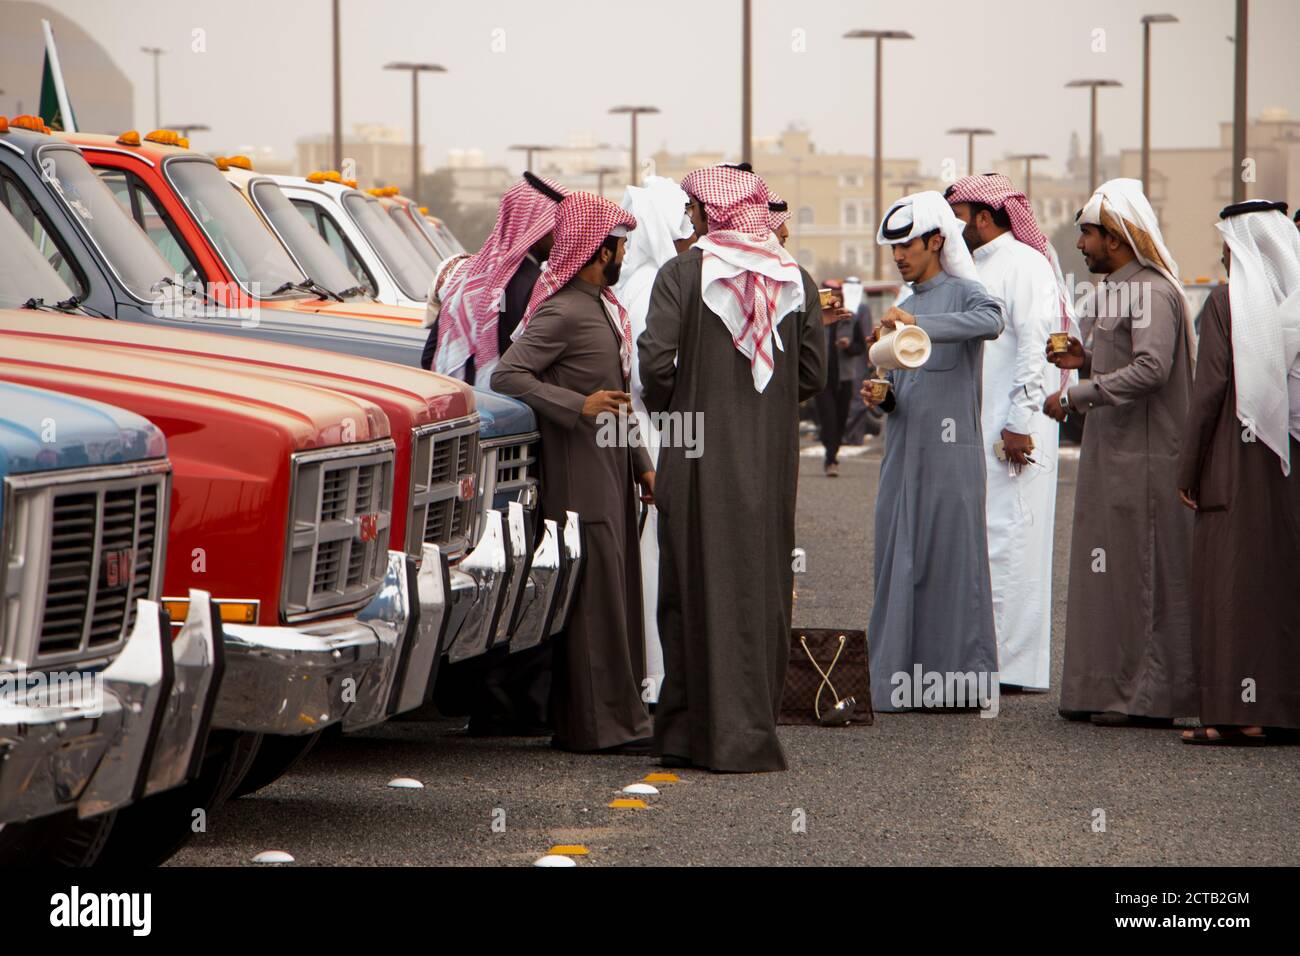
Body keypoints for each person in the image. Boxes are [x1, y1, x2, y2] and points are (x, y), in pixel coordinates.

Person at [640, 164, 826, 772]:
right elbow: (811, 376)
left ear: (714, 212)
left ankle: (687, 734)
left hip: (693, 460)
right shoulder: (796, 281)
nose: (689, 217)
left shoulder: (681, 275)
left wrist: (681, 406)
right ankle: (748, 733)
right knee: (760, 586)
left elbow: (657, 363)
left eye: (695, 208)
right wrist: (763, 413)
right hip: (769, 466)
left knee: (691, 586)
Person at [491, 191, 655, 754]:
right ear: (596, 248)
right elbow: (506, 375)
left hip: (610, 466)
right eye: (618, 245)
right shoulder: (562, 309)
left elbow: (617, 401)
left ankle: (599, 721)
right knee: (595, 597)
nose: (624, 255)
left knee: (614, 588)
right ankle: (600, 728)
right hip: (577, 472)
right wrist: (572, 405)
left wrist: (643, 464)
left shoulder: (601, 308)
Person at [1046, 178, 1196, 727]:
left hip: (1146, 459)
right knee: (1112, 574)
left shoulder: (1152, 291)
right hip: (1114, 454)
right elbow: (1123, 359)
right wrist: (1084, 359)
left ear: (1116, 237)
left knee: (1144, 576)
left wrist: (1078, 394)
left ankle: (1149, 699)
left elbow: (1154, 368)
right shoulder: (1117, 290)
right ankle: (1109, 690)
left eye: (1087, 234)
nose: (1080, 245)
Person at [860, 191, 1004, 712]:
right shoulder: (906, 306)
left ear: (937, 241)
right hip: (903, 454)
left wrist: (919, 328)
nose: (899, 255)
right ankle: (899, 683)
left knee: (952, 564)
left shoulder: (967, 293)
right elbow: (898, 387)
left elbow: (992, 321)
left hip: (951, 458)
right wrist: (883, 395)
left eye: (908, 245)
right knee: (900, 561)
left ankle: (958, 686)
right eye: (893, 247)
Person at [1176, 199, 1300, 745]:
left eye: (1229, 246)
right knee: (1280, 585)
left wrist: (1188, 469)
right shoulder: (1294, 301)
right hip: (1289, 464)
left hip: (1236, 458)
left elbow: (1208, 394)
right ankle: (1280, 710)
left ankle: (1236, 715)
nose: (1225, 257)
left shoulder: (1228, 304)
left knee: (1231, 586)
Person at [945, 173, 1072, 693]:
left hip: (1015, 432)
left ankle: (1012, 668)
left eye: (960, 214)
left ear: (984, 215)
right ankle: (985, 658)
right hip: (984, 427)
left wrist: (1020, 424)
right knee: (985, 539)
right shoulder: (977, 265)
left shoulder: (1025, 264)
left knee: (1011, 541)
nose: (953, 226)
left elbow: (1034, 348)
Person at [611, 176, 697, 705]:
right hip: (653, 431)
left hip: (640, 429)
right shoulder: (650, 285)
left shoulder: (636, 280)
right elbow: (652, 374)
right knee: (654, 558)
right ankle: (656, 682)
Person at [425, 172, 567, 380]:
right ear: (536, 227)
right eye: (558, 226)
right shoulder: (535, 286)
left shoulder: (466, 275)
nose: (563, 235)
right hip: (501, 405)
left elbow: (431, 354)